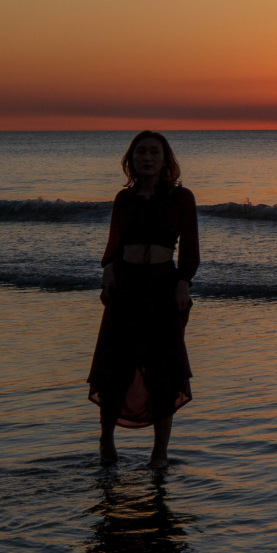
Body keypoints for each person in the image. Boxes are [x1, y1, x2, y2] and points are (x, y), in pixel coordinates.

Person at [90, 131, 198, 468]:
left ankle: (159, 454)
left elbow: (191, 251)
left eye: (154, 152)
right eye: (141, 152)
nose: (147, 157)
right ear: (131, 159)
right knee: (115, 368)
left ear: (166, 159)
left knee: (164, 370)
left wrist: (183, 283)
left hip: (164, 287)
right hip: (127, 287)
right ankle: (106, 441)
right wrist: (108, 271)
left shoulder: (181, 198)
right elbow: (113, 247)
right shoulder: (124, 199)